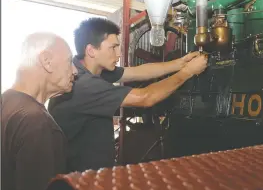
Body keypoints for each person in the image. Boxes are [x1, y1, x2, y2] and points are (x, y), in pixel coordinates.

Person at [48, 17, 208, 172]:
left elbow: (138, 72)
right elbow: (146, 97)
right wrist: (188, 72)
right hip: (80, 179)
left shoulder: (92, 69)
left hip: (94, 171)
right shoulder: (84, 84)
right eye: (113, 48)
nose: (118, 54)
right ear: (91, 50)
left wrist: (180, 63)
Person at [1, 32, 77, 190]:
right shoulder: (36, 122)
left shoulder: (6, 102)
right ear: (47, 61)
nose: (75, 70)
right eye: (70, 61)